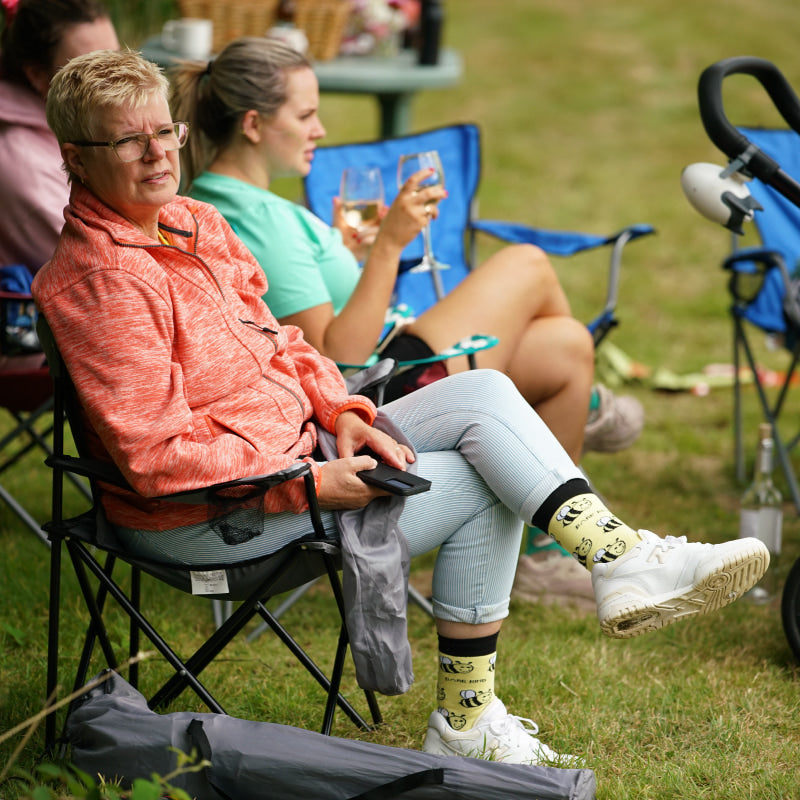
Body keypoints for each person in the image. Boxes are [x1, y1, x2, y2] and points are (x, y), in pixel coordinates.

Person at [34, 49, 769, 766]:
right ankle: (471, 715)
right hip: (218, 515)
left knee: (486, 396)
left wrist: (340, 407)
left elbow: (282, 342)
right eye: (128, 139)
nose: (157, 153)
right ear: (75, 156)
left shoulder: (193, 223)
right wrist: (312, 482)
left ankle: (618, 556)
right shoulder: (100, 283)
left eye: (165, 131)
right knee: (489, 475)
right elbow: (159, 457)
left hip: (299, 447)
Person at [168, 36, 641, 610]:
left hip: (391, 366)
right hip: (369, 401)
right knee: (527, 264)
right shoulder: (254, 218)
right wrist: (389, 247)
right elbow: (332, 359)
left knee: (566, 349)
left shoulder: (242, 203)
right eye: (307, 115)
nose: (319, 130)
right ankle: (577, 420)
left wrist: (344, 254)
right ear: (253, 124)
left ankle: (541, 552)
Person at [0, 0, 118, 274]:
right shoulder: (21, 164)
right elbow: (98, 271)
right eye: (87, 70)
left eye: (115, 59)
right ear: (38, 76)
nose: (114, 81)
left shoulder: (77, 120)